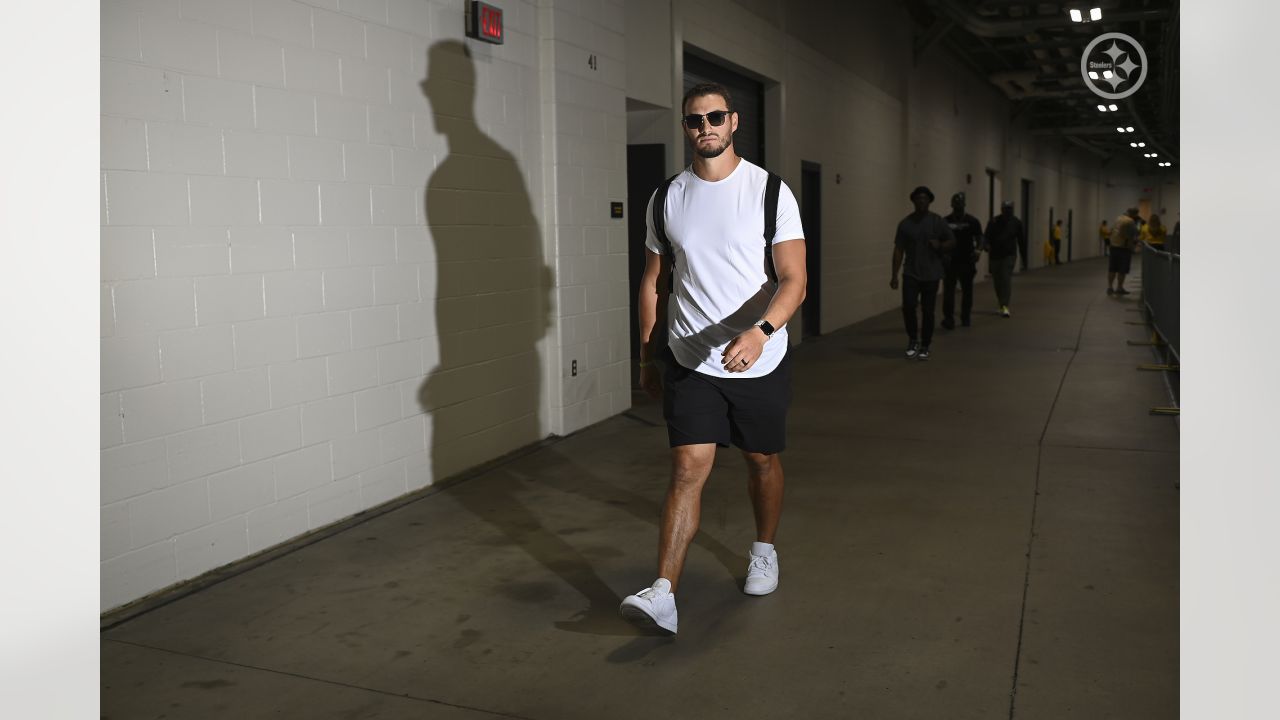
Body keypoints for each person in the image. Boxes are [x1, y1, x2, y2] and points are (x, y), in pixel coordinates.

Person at [621, 82, 807, 635]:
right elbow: (653, 283)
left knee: (760, 461)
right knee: (686, 469)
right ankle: (663, 593)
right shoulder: (666, 197)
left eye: (715, 117)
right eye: (693, 121)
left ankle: (765, 549)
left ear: (734, 122)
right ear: (685, 128)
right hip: (688, 356)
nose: (705, 128)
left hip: (758, 359)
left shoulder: (771, 192)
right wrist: (647, 358)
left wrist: (762, 331)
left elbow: (794, 281)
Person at [890, 186, 955, 359]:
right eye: (918, 198)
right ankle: (913, 339)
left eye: (924, 198)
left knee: (928, 311)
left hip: (932, 274)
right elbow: (898, 250)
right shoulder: (905, 224)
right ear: (913, 201)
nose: (921, 201)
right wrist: (894, 275)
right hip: (911, 272)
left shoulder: (937, 221)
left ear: (929, 201)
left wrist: (940, 245)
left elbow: (951, 241)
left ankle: (925, 344)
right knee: (908, 307)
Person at [941, 192, 983, 329]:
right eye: (956, 204)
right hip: (950, 261)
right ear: (952, 205)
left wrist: (978, 250)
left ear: (964, 205)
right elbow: (940, 239)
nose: (958, 207)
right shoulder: (945, 221)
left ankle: (965, 317)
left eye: (960, 204)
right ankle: (948, 318)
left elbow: (980, 237)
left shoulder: (972, 221)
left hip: (967, 260)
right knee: (948, 292)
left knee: (967, 291)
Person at [983, 200, 1024, 318]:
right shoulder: (994, 221)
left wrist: (1023, 255)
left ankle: (1005, 306)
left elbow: (1021, 239)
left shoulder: (1016, 223)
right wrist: (986, 245)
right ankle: (1001, 303)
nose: (1007, 211)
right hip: (995, 255)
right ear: (1002, 209)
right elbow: (986, 236)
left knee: (1005, 279)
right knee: (997, 282)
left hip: (1009, 255)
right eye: (1005, 209)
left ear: (1012, 210)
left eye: (1009, 209)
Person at [1108, 207, 1140, 295]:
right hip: (1124, 248)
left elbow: (1110, 230)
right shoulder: (1130, 221)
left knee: (1112, 268)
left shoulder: (1118, 218)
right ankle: (1119, 287)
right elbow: (1135, 233)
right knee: (1122, 269)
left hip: (1113, 246)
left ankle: (1110, 287)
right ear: (1134, 214)